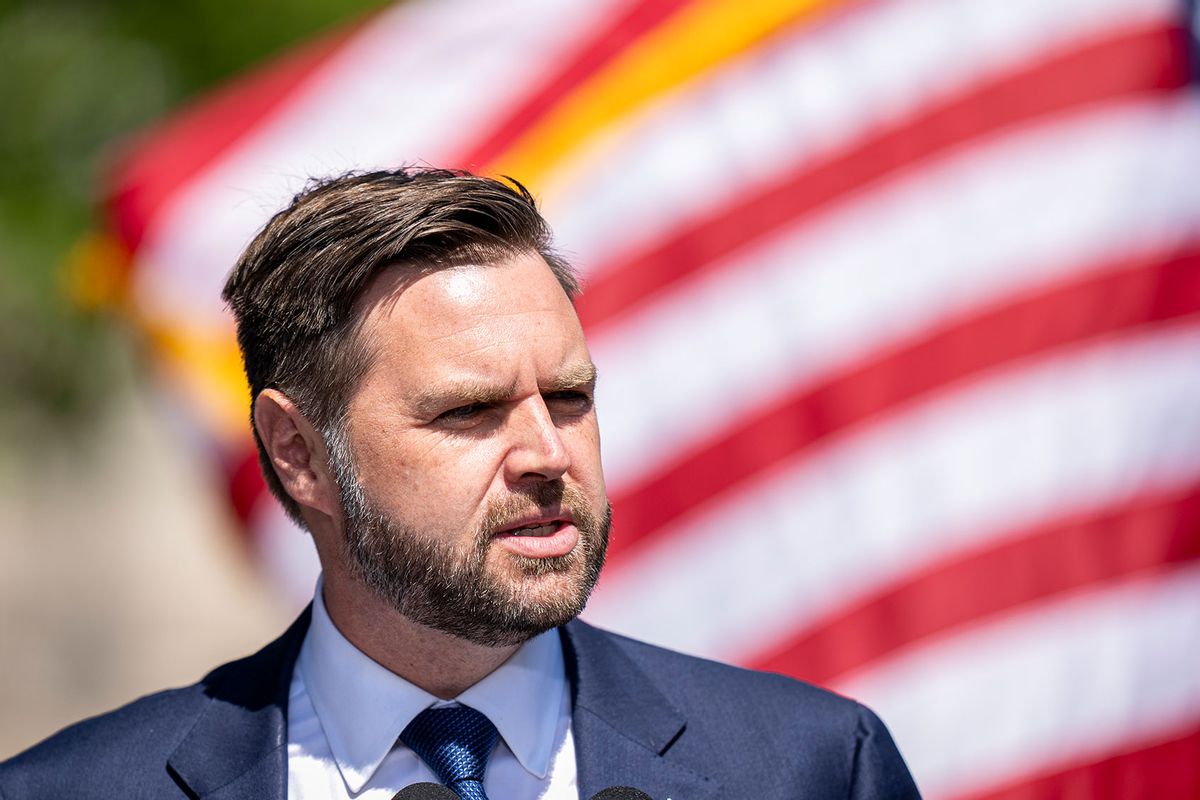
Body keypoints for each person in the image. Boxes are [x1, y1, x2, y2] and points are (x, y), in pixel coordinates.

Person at [0, 168, 920, 799]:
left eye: (568, 397)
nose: (546, 454)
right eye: (469, 411)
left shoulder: (811, 767)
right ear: (298, 453)